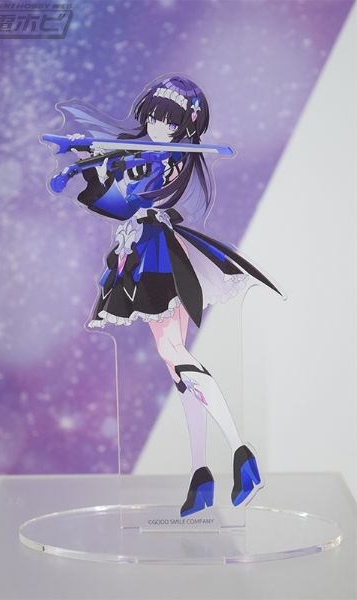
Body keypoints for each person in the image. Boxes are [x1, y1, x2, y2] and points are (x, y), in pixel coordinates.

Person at [57, 76, 282, 515]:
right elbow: (114, 198)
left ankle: (242, 453)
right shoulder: (148, 154)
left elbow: (130, 201)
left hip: (158, 253)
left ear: (185, 127)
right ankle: (201, 474)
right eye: (154, 118)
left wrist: (106, 168)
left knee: (172, 350)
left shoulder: (172, 161)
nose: (158, 126)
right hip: (143, 248)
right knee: (175, 367)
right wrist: (95, 161)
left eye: (170, 121)